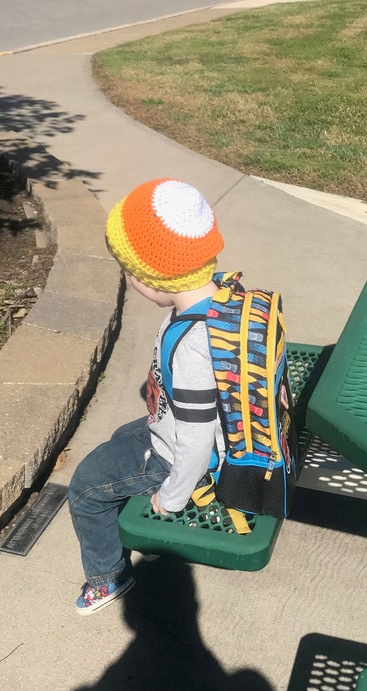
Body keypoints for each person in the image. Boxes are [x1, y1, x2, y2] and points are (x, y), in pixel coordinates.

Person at [68, 177, 226, 615]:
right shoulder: (217, 299)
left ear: (149, 278)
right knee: (120, 435)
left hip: (172, 456)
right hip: (166, 431)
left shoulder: (194, 345)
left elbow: (196, 435)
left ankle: (107, 578)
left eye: (128, 271)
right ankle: (149, 532)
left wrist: (174, 496)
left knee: (85, 487)